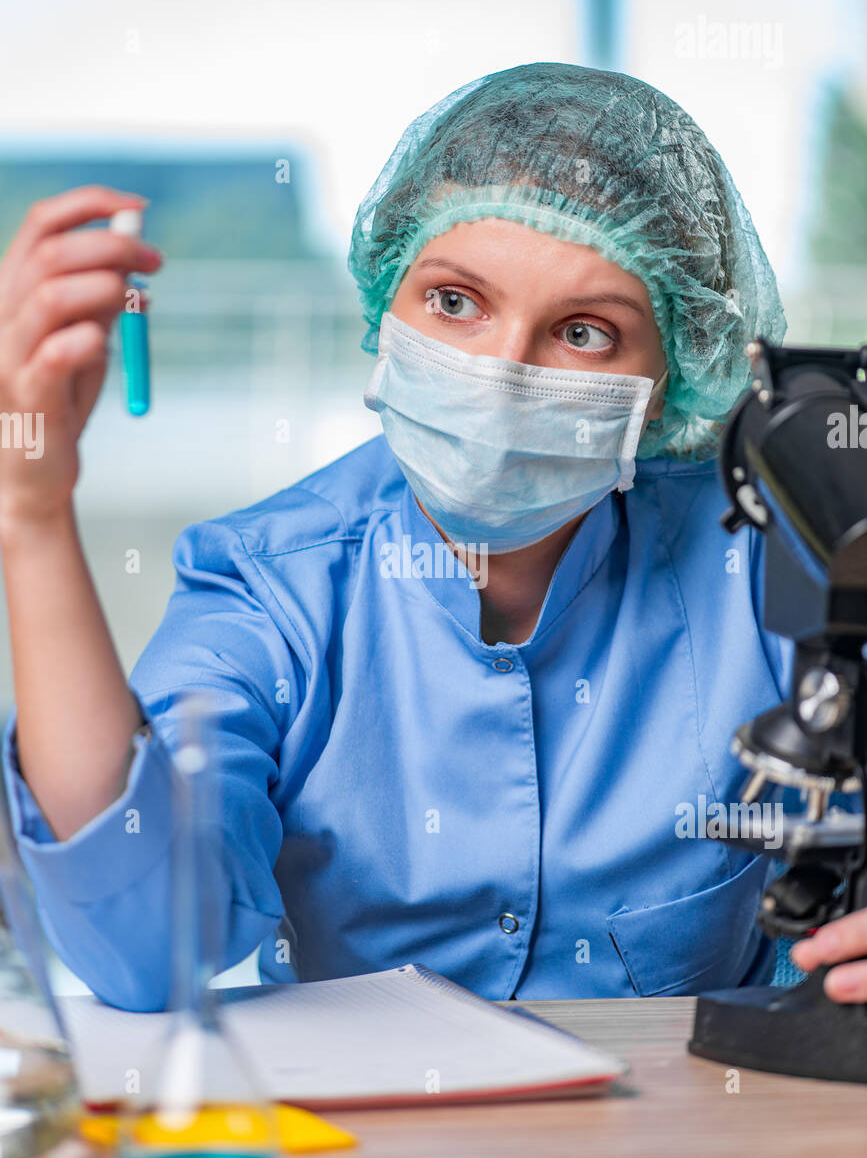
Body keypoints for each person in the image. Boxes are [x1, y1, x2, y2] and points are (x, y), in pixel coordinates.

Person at [0, 62, 863, 1012]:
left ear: (673, 381)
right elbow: (145, 946)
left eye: (583, 332)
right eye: (454, 302)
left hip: (698, 1150)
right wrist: (32, 516)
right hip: (363, 1157)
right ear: (386, 303)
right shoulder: (271, 585)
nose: (499, 375)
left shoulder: (763, 562)